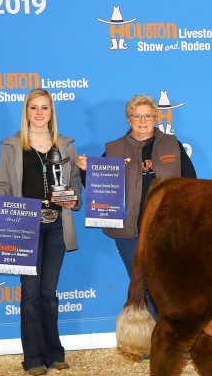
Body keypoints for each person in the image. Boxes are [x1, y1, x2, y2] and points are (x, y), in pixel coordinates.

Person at [0, 88, 82, 376]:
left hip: (57, 225)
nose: (39, 113)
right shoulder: (12, 145)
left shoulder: (65, 145)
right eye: (33, 108)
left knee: (49, 293)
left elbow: (74, 183)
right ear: (26, 112)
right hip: (25, 228)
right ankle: (33, 358)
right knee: (31, 294)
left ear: (51, 112)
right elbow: (3, 186)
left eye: (44, 108)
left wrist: (75, 198)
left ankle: (55, 352)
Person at [76, 94, 196, 321]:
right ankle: (156, 343)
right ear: (128, 119)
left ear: (156, 118)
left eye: (148, 115)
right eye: (137, 115)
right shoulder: (114, 149)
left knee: (168, 285)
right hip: (129, 232)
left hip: (166, 230)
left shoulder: (172, 144)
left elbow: (191, 183)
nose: (143, 120)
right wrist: (85, 170)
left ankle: (176, 341)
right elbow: (100, 188)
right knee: (142, 285)